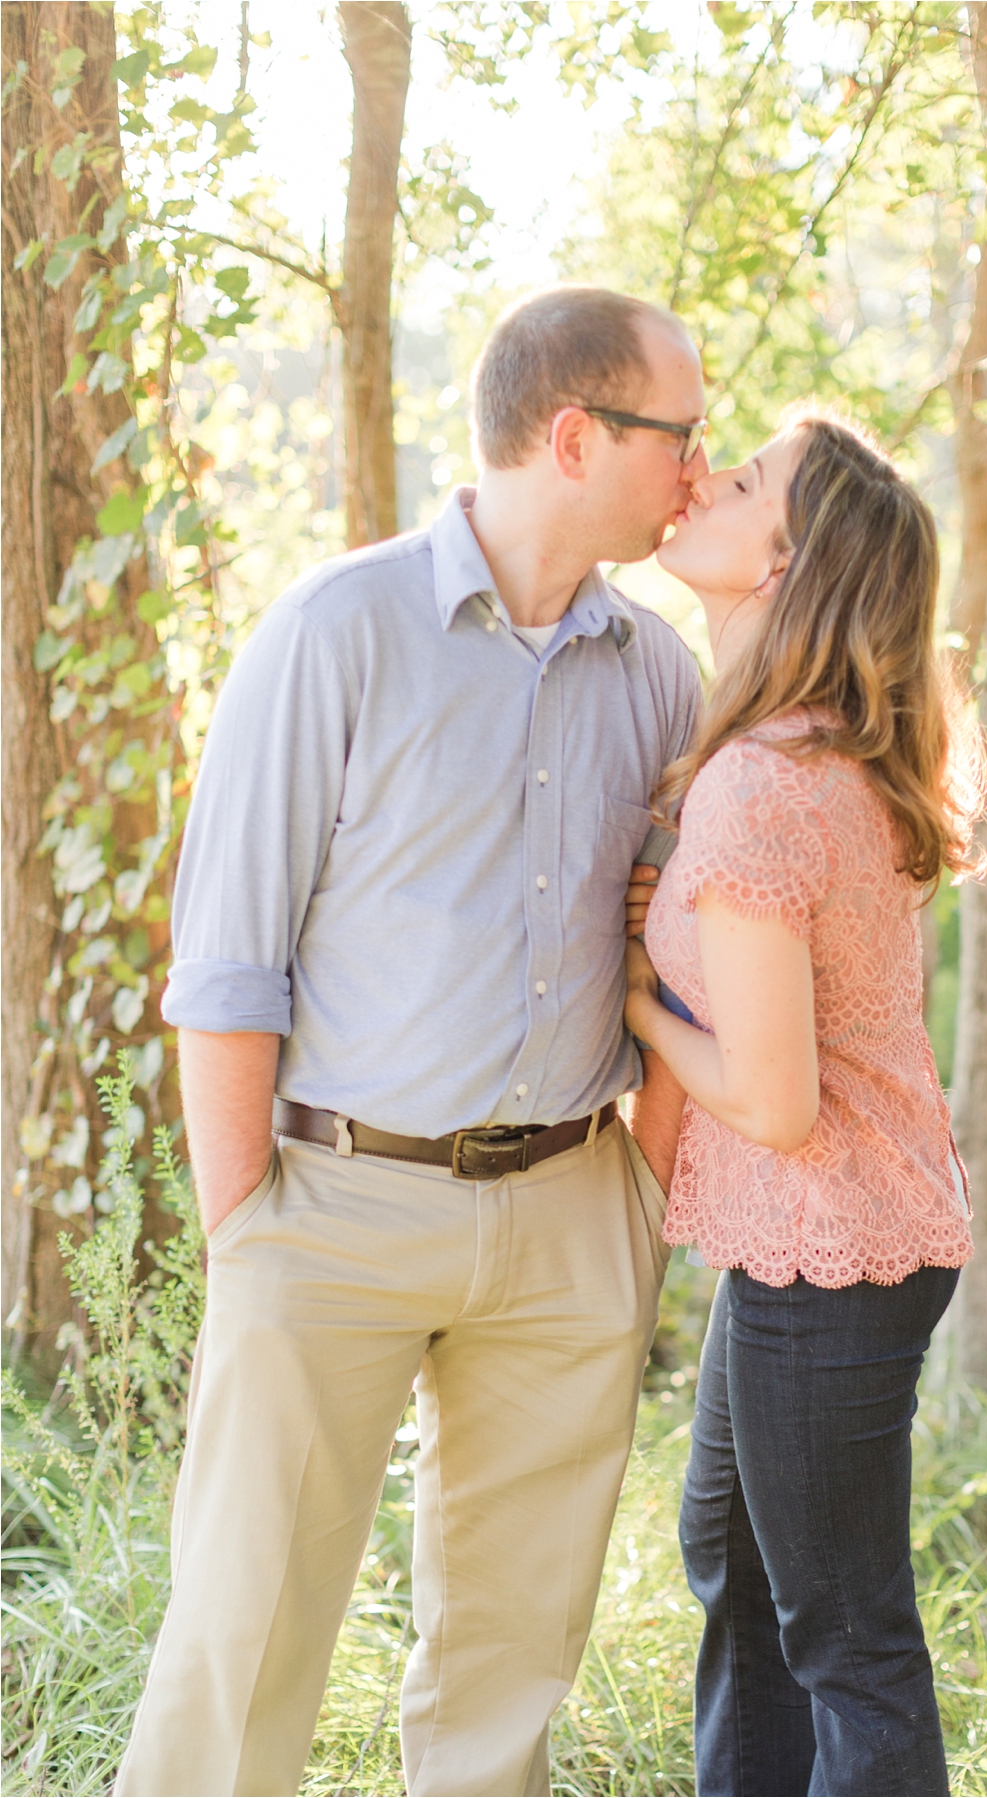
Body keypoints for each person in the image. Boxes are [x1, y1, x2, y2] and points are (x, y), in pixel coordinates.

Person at [115, 286, 708, 1798]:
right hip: (331, 1214)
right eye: (680, 434)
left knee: (511, 1671)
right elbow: (227, 961)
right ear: (576, 436)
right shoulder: (334, 631)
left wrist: (635, 1192)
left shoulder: (658, 674)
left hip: (572, 1212)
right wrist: (253, 1225)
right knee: (240, 1640)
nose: (699, 467)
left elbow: (682, 946)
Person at [623, 409, 987, 1798]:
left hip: (832, 1243)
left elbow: (773, 1100)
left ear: (787, 564)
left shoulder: (766, 786)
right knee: (735, 1561)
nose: (709, 474)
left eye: (750, 477)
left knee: (846, 1639)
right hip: (831, 1237)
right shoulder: (800, 750)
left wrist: (643, 1006)